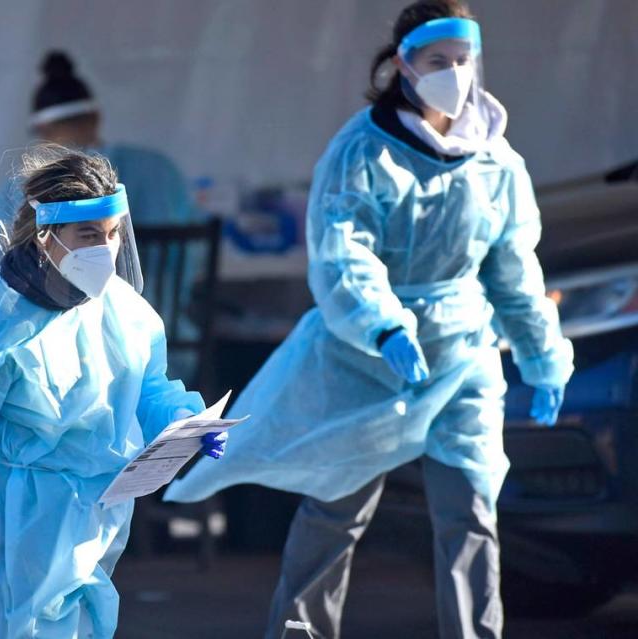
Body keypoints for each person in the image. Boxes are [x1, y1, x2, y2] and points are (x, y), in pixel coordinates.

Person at [165, 2, 573, 638]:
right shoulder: (363, 149)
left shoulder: (496, 161)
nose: (454, 74)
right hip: (364, 362)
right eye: (438, 61)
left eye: (463, 60)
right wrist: (382, 325)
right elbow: (342, 248)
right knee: (336, 510)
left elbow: (513, 269)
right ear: (404, 64)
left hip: (463, 355)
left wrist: (542, 357)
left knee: (470, 516)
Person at [0, 147, 227, 638]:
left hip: (87, 520)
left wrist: (185, 423)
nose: (106, 248)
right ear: (45, 235)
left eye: (113, 233)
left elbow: (146, 385)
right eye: (89, 235)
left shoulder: (124, 311)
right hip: (3, 525)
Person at [0, 51, 195, 283]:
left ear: (42, 132)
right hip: (166, 315)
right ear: (96, 117)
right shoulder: (160, 169)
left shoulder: (28, 183)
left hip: (60, 317)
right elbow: (192, 256)